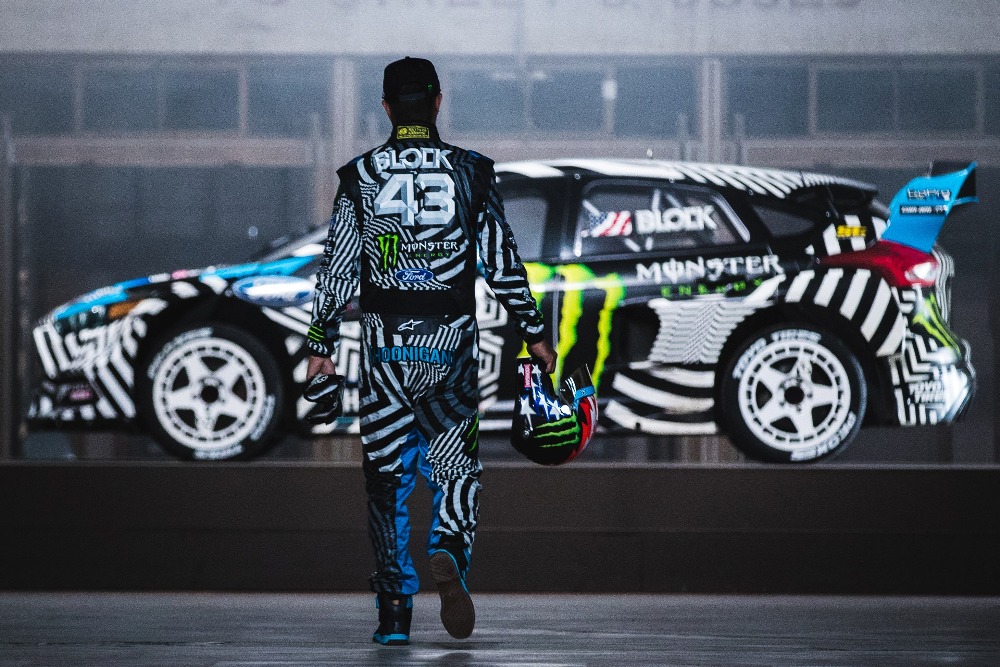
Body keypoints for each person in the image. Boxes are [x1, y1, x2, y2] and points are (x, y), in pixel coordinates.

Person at [304, 56, 557, 646]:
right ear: (438, 101)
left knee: (386, 481)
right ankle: (447, 546)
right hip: (450, 347)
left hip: (385, 349)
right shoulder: (472, 172)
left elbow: (338, 267)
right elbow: (502, 264)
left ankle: (394, 613)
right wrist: (535, 333)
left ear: (387, 108)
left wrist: (320, 343)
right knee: (457, 468)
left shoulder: (360, 175)